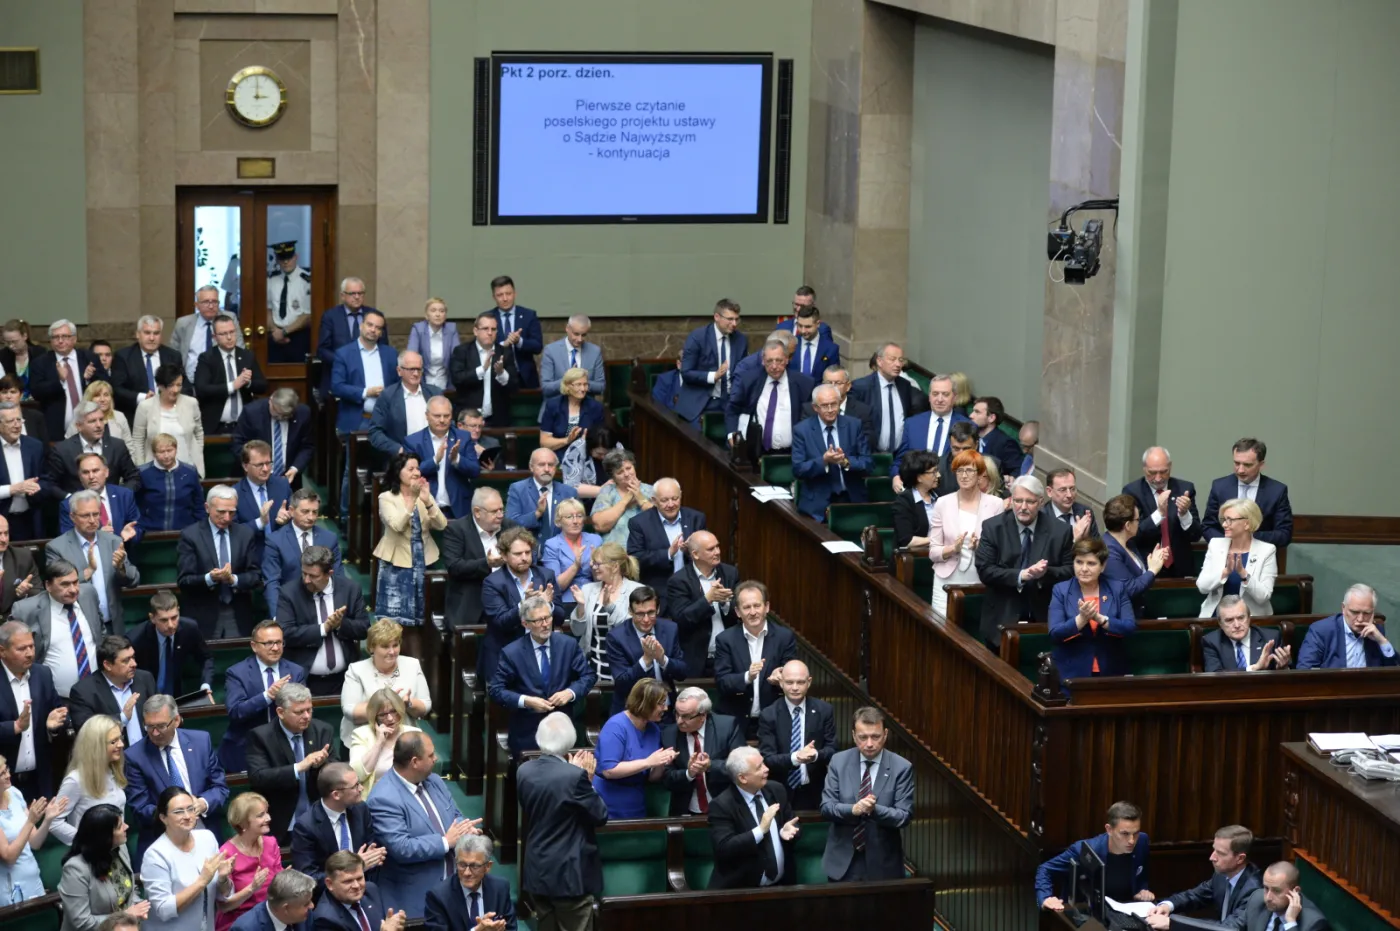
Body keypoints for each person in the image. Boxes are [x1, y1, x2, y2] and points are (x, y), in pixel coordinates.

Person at [365, 731, 478, 919]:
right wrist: (445, 841)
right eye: (431, 755)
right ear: (415, 762)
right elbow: (401, 848)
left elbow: (455, 815)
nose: (436, 759)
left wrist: (466, 829)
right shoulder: (383, 798)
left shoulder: (433, 780)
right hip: (416, 896)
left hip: (454, 886)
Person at [516, 712, 607, 930]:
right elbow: (600, 815)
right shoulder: (574, 777)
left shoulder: (524, 770)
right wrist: (587, 779)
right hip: (568, 874)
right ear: (570, 741)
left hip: (537, 869)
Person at [124, 695, 228, 866]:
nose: (155, 733)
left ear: (177, 720)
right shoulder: (135, 756)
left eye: (161, 726)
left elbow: (220, 787)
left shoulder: (201, 741)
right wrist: (175, 814)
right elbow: (140, 807)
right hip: (163, 840)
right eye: (149, 727)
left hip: (204, 832)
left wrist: (202, 803)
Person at [974, 475, 1075, 648]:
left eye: (1030, 502)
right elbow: (985, 570)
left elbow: (1070, 571)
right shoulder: (993, 527)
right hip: (1002, 617)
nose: (1023, 507)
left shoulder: (1060, 531)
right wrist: (1022, 575)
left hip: (1045, 617)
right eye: (1018, 501)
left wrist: (1045, 573)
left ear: (1041, 502)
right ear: (1011, 500)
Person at [489, 595, 595, 754]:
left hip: (563, 730)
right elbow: (496, 690)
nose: (545, 625)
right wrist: (526, 701)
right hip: (527, 733)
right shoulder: (512, 652)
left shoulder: (568, 645)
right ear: (525, 624)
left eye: (548, 618)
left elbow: (588, 676)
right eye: (538, 620)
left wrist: (570, 692)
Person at [820, 706, 914, 882]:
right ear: (854, 735)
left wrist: (874, 809)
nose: (869, 743)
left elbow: (904, 816)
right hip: (842, 862)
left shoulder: (901, 767)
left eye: (876, 737)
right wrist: (853, 809)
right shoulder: (838, 762)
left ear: (885, 734)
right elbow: (826, 807)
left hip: (883, 862)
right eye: (863, 737)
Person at [276, 547, 370, 698]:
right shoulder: (289, 593)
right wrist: (323, 628)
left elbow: (364, 628)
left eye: (313, 576)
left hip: (345, 679)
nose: (306, 580)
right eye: (304, 573)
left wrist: (340, 625)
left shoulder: (350, 589)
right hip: (304, 681)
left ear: (329, 574)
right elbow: (285, 632)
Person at [245, 684, 335, 842]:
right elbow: (258, 777)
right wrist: (299, 767)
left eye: (309, 709)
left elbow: (335, 770)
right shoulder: (261, 736)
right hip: (282, 820)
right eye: (299, 712)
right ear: (280, 712)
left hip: (319, 819)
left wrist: (323, 766)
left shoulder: (323, 730)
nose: (307, 716)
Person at [373, 451, 448, 638]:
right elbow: (397, 525)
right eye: (410, 469)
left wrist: (428, 501)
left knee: (423, 616)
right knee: (395, 622)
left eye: (417, 468)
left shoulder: (423, 495)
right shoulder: (386, 498)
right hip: (397, 564)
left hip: (424, 560)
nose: (416, 473)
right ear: (398, 472)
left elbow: (442, 524)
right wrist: (413, 500)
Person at [46, 489, 141, 635]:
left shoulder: (113, 541)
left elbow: (133, 580)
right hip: (76, 628)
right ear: (72, 517)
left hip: (112, 626)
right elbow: (56, 588)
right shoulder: (57, 548)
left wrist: (121, 568)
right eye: (85, 515)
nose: (92, 520)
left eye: (96, 514)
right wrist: (88, 571)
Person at [140, 786, 235, 931]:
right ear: (163, 818)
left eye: (190, 809)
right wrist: (202, 881)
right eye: (178, 812)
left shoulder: (207, 838)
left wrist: (222, 879)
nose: (187, 816)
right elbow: (164, 910)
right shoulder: (155, 854)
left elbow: (222, 896)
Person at [218, 620, 308, 773]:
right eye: (269, 643)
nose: (275, 648)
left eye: (279, 642)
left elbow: (301, 709)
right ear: (254, 646)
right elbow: (236, 711)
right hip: (248, 748)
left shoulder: (295, 671)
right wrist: (267, 695)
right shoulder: (237, 673)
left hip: (286, 747)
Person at [707, 745, 800, 889]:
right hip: (740, 894)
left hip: (782, 888)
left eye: (763, 763)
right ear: (743, 778)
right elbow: (724, 848)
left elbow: (793, 823)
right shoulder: (721, 805)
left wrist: (786, 831)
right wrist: (760, 830)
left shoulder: (776, 790)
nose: (766, 769)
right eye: (759, 767)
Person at [331, 309, 398, 511]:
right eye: (370, 325)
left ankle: (382, 514)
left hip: (384, 421)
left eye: (378, 327)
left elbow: (397, 385)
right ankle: (347, 517)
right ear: (361, 326)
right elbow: (337, 386)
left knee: (390, 468)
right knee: (352, 472)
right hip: (357, 420)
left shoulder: (390, 353)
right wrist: (365, 392)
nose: (373, 330)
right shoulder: (344, 353)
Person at [176, 486, 263, 638]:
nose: (227, 518)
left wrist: (233, 579)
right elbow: (184, 580)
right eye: (221, 512)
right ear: (207, 508)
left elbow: (255, 576)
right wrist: (210, 578)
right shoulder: (190, 535)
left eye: (232, 512)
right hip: (204, 613)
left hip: (237, 613)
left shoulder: (245, 534)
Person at [480, 528, 565, 683]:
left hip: (542, 651)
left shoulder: (546, 575)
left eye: (527, 552)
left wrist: (549, 604)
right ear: (504, 556)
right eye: (518, 554)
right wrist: (524, 605)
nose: (524, 558)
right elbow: (501, 622)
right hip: (506, 653)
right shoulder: (492, 582)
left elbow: (560, 618)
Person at [1036, 801, 1153, 912]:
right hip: (1088, 913)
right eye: (1125, 834)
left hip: (1125, 910)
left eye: (1135, 833)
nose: (1132, 841)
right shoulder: (1085, 849)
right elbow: (1045, 869)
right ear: (1109, 830)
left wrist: (1142, 890)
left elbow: (1140, 875)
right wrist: (1046, 897)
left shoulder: (1142, 841)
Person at [11, 559, 104, 697]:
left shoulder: (88, 594)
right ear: (48, 585)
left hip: (97, 693)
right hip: (56, 698)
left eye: (75, 582)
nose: (73, 590)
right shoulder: (25, 610)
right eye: (65, 584)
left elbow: (100, 631)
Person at [1049, 538, 1138, 680]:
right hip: (1071, 672)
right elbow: (1055, 633)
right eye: (1079, 562)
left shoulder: (1117, 588)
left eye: (1091, 563)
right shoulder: (1061, 590)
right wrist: (1081, 619)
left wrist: (1100, 619)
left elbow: (1129, 627)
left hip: (1111, 669)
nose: (1084, 569)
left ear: (1103, 566)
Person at [712, 581, 796, 735]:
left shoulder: (784, 637)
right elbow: (722, 682)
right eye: (746, 607)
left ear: (767, 607)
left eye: (757, 606)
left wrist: (782, 676)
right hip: (735, 722)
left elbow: (792, 675)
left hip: (773, 721)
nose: (753, 612)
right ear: (737, 611)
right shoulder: (725, 639)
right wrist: (747, 676)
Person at [929, 450, 1005, 616]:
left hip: (979, 579)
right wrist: (952, 549)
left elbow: (1001, 551)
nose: (963, 476)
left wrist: (980, 547)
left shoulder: (995, 504)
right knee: (940, 628)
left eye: (969, 470)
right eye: (959, 470)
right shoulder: (943, 503)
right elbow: (933, 551)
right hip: (946, 578)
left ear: (980, 475)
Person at [0, 620, 70, 797]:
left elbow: (59, 714)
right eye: (22, 649)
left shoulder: (42, 674)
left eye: (31, 646)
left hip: (40, 779)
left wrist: (53, 727)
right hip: (4, 782)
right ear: (2, 651)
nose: (30, 653)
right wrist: (14, 727)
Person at [1145, 824, 1261, 930]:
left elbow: (1229, 928)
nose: (1212, 857)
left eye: (1220, 853)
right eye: (1214, 849)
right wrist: (1168, 905)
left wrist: (1173, 923)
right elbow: (1195, 896)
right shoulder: (1221, 875)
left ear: (1240, 858)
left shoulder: (1254, 890)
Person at [289, 763, 386, 888]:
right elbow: (308, 878)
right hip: (327, 898)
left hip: (365, 888)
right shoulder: (306, 827)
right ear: (336, 795)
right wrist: (353, 868)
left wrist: (376, 854)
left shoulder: (360, 809)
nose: (361, 788)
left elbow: (372, 848)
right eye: (355, 786)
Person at [340, 619, 431, 751]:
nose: (392, 651)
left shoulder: (412, 665)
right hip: (364, 744)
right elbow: (350, 711)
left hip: (402, 744)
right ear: (371, 647)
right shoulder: (356, 670)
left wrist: (408, 703)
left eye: (395, 645)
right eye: (385, 646)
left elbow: (425, 706)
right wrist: (391, 704)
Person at [757, 660, 836, 811]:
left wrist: (816, 755)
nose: (794, 688)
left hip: (815, 790)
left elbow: (832, 749)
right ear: (781, 683)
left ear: (809, 682)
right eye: (789, 682)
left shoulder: (824, 710)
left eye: (800, 682)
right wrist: (796, 758)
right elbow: (768, 757)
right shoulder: (769, 714)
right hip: (780, 791)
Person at [58, 803, 149, 931]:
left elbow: (130, 888)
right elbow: (81, 922)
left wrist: (139, 908)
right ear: (104, 836)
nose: (126, 827)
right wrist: (126, 916)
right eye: (119, 826)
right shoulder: (75, 869)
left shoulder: (120, 848)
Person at [592, 678, 674, 818]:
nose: (665, 708)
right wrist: (648, 762)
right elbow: (609, 770)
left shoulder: (653, 729)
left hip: (636, 801)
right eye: (661, 704)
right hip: (609, 802)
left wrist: (662, 762)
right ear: (645, 703)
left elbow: (652, 778)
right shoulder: (616, 726)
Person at [658, 686, 745, 817]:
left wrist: (711, 766)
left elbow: (742, 767)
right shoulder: (669, 734)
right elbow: (666, 778)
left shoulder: (726, 726)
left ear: (703, 715)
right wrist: (689, 773)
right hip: (685, 810)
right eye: (677, 714)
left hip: (726, 807)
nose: (679, 721)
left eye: (686, 716)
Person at [567, 542, 644, 686]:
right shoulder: (588, 589)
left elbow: (632, 630)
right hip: (594, 665)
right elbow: (577, 631)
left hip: (625, 666)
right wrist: (581, 607)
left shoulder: (637, 591)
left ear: (614, 566)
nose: (593, 567)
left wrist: (609, 607)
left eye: (597, 564)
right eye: (592, 563)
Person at [792, 383, 872, 520]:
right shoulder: (802, 430)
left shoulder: (854, 425)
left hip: (851, 499)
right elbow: (798, 469)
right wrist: (824, 461)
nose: (830, 410)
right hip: (816, 505)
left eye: (834, 404)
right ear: (815, 407)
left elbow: (868, 464)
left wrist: (845, 462)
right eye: (824, 405)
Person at [604, 587, 688, 716]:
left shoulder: (670, 629)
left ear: (658, 610)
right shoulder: (616, 637)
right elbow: (622, 682)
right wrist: (646, 660)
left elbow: (682, 672)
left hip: (665, 710)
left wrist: (662, 659)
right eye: (640, 614)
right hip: (632, 711)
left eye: (651, 612)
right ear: (630, 611)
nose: (646, 619)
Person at [664, 530, 739, 674]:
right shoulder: (679, 581)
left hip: (728, 657)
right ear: (695, 554)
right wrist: (707, 599)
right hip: (697, 660)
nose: (717, 552)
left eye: (717, 546)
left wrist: (725, 603)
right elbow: (682, 619)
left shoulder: (730, 573)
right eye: (711, 549)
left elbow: (740, 612)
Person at [441, 488, 516, 630]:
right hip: (471, 601)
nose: (500, 515)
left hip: (507, 601)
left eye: (501, 509)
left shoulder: (510, 527)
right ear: (477, 512)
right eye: (494, 511)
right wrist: (486, 563)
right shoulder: (457, 530)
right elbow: (454, 566)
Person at [1120, 446, 1200, 580]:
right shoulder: (1132, 492)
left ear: (1170, 466)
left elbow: (1196, 534)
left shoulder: (1185, 489)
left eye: (1163, 472)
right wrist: (1159, 513)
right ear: (1144, 468)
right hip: (1146, 567)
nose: (1158, 478)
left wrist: (1184, 514)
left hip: (1180, 567)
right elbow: (1133, 534)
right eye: (1152, 473)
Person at [626, 477, 706, 608]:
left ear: (681, 496)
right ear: (654, 501)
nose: (671, 504)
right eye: (664, 500)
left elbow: (707, 552)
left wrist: (691, 550)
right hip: (657, 594)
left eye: (675, 498)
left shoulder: (696, 518)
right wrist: (668, 553)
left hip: (691, 592)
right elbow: (635, 558)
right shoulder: (639, 523)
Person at [725, 341, 814, 459]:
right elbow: (732, 409)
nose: (774, 366)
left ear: (787, 359)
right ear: (762, 361)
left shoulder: (804, 383)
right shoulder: (749, 380)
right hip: (755, 452)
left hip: (792, 454)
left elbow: (809, 419)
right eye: (769, 361)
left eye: (779, 360)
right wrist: (732, 434)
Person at [49, 715, 127, 846]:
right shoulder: (75, 780)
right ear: (96, 746)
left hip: (118, 851)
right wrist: (87, 842)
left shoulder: (112, 770)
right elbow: (54, 822)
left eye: (120, 738)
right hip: (90, 857)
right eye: (113, 741)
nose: (121, 744)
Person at [1203, 438, 1293, 548]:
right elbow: (1208, 527)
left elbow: (1284, 534)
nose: (1240, 470)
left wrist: (1247, 538)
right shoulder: (1220, 487)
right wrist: (1228, 545)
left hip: (1262, 556)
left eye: (1247, 465)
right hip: (1224, 554)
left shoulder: (1276, 491)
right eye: (1237, 463)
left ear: (1261, 464)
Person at [0, 750, 65, 902]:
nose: (8, 775)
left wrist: (48, 819)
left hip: (34, 882)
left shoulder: (14, 793)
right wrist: (30, 821)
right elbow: (9, 857)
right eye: (2, 774)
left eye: (7, 769)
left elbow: (34, 843)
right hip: (11, 891)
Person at [263, 489, 342, 614]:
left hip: (323, 605)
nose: (311, 517)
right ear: (292, 511)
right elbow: (272, 582)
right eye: (305, 512)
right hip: (290, 607)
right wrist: (278, 615)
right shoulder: (275, 540)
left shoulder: (329, 539)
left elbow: (338, 577)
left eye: (314, 512)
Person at [1198, 498, 1278, 619]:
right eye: (1224, 520)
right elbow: (1202, 587)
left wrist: (1243, 574)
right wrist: (1225, 573)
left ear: (1247, 523)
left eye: (1230, 520)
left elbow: (1263, 596)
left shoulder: (1266, 550)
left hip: (1252, 618)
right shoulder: (1215, 544)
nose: (1224, 524)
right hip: (1216, 617)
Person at [67, 635, 156, 743]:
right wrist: (122, 718)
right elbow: (86, 732)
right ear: (108, 665)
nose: (134, 664)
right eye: (126, 661)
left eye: (133, 657)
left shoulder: (145, 678)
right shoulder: (83, 692)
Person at [403, 396, 478, 520]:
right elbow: (408, 474)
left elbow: (475, 470)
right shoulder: (413, 441)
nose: (442, 420)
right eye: (437, 416)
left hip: (458, 511)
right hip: (425, 510)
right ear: (427, 416)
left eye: (446, 415)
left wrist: (457, 459)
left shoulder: (463, 438)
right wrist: (434, 461)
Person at [215, 793, 282, 931]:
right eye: (260, 815)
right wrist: (252, 888)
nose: (268, 818)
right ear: (243, 823)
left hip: (271, 918)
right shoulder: (227, 853)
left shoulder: (271, 843)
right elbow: (224, 906)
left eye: (267, 813)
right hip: (239, 923)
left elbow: (278, 885)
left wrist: (285, 880)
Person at [676, 299, 748, 428]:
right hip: (699, 403)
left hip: (729, 404)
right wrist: (712, 376)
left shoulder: (740, 340)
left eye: (737, 319)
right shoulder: (697, 337)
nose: (734, 324)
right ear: (717, 317)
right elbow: (686, 372)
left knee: (735, 442)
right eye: (730, 319)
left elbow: (742, 373)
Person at [46, 401, 142, 496]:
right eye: (92, 421)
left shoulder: (117, 446)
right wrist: (70, 498)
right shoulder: (62, 450)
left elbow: (134, 478)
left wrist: (119, 496)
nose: (99, 425)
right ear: (79, 426)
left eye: (101, 419)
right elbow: (49, 484)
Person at [424, 834, 516, 931]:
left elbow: (511, 928)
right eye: (462, 865)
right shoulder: (438, 897)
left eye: (474, 866)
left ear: (488, 866)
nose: (467, 873)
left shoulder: (500, 888)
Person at [32, 319, 106, 439]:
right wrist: (60, 381)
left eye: (65, 336)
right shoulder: (40, 362)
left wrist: (88, 379)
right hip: (56, 429)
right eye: (56, 337)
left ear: (74, 339)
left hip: (90, 425)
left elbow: (106, 384)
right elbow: (36, 392)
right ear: (50, 341)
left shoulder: (89, 357)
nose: (60, 341)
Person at [195, 315, 268, 435]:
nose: (229, 337)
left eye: (232, 332)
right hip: (216, 426)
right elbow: (202, 389)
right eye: (223, 334)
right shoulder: (207, 358)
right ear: (215, 337)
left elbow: (263, 386)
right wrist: (232, 386)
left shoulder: (247, 356)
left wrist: (248, 382)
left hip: (244, 424)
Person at [1297, 583, 1396, 669]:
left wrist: (1382, 641)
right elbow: (1305, 670)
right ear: (1343, 608)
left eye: (1366, 613)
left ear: (1373, 613)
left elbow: (1393, 674)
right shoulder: (1321, 631)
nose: (1360, 619)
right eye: (1355, 612)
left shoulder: (1376, 633)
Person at [316, 277, 387, 399]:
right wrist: (344, 362)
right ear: (343, 296)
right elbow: (322, 350)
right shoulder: (330, 316)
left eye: (360, 293)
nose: (357, 297)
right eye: (352, 293)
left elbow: (384, 347)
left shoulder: (374, 316)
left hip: (369, 375)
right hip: (338, 375)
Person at [849, 342, 924, 454]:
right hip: (871, 455)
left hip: (899, 456)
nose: (898, 364)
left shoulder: (905, 385)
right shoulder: (861, 387)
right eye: (892, 359)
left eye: (900, 360)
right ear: (879, 361)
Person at [1101, 494, 1168, 617]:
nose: (1139, 523)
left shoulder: (1128, 542)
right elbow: (1128, 589)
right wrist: (1152, 570)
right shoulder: (1109, 551)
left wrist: (1154, 561)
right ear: (1127, 525)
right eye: (1137, 520)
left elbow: (1137, 576)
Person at [112, 315, 185, 426]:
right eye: (147, 333)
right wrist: (143, 398)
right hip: (135, 418)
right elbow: (117, 389)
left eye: (156, 333)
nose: (152, 338)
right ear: (138, 334)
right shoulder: (123, 356)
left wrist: (171, 395)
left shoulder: (173, 356)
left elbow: (186, 386)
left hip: (169, 417)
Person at [368, 351, 442, 460]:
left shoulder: (435, 393)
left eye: (419, 369)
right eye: (411, 369)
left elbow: (449, 424)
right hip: (403, 460)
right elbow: (375, 433)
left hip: (435, 456)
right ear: (399, 371)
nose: (416, 374)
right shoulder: (388, 396)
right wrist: (399, 450)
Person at [231, 389, 313, 487]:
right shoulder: (251, 412)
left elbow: (307, 446)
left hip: (288, 480)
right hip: (254, 479)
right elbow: (237, 443)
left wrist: (295, 468)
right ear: (271, 400)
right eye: (277, 413)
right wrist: (255, 466)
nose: (280, 417)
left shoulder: (303, 413)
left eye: (285, 416)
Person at [346, 689, 421, 794]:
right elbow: (357, 775)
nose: (390, 718)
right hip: (377, 798)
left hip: (410, 795)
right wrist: (379, 743)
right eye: (383, 714)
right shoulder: (361, 735)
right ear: (374, 717)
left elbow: (424, 769)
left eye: (394, 711)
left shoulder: (414, 733)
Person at [449, 313, 518, 427]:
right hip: (469, 420)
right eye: (485, 329)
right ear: (476, 331)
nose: (490, 333)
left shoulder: (505, 352)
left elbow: (514, 386)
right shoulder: (462, 351)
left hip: (498, 420)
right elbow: (457, 379)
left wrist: (501, 373)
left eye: (493, 329)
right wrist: (482, 369)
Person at [57, 453, 142, 545]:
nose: (91, 477)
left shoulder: (124, 495)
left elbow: (138, 527)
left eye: (95, 471)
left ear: (106, 472)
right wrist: (96, 536)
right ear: (79, 476)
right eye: (85, 472)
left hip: (123, 553)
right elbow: (68, 540)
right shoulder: (69, 504)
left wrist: (132, 533)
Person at [892, 374, 971, 470]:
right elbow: (900, 460)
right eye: (935, 394)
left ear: (954, 397)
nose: (939, 399)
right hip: (918, 482)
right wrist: (896, 476)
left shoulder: (968, 426)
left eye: (945, 394)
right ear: (929, 396)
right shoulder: (912, 424)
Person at [310, 851, 405, 931]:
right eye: (348, 881)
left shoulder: (371, 890)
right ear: (330, 884)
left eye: (359, 878)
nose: (356, 886)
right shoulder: (325, 919)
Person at [505, 448, 579, 544]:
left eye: (551, 465)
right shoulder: (518, 489)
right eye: (541, 465)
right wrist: (537, 513)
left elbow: (577, 525)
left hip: (560, 552)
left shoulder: (569, 492)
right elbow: (510, 525)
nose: (547, 469)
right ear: (531, 467)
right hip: (528, 552)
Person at [174, 287, 245, 386]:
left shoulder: (229, 319)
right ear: (197, 305)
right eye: (206, 302)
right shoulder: (183, 323)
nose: (211, 306)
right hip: (190, 383)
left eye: (214, 302)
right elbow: (174, 354)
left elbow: (240, 349)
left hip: (222, 383)